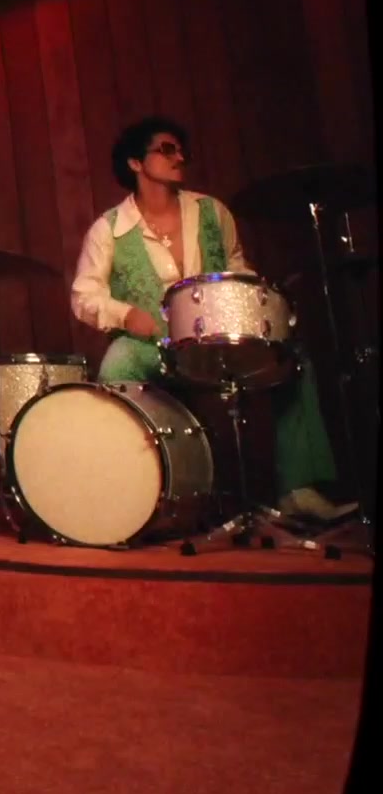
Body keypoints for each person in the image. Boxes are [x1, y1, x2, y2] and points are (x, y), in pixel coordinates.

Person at [69, 116, 356, 522]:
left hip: (218, 341)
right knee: (118, 360)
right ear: (135, 163)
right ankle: (124, 492)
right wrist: (124, 313)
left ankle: (298, 488)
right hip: (157, 347)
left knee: (293, 357)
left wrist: (256, 306)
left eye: (181, 149)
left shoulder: (211, 211)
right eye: (166, 149)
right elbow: (84, 295)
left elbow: (238, 268)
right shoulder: (109, 229)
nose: (179, 157)